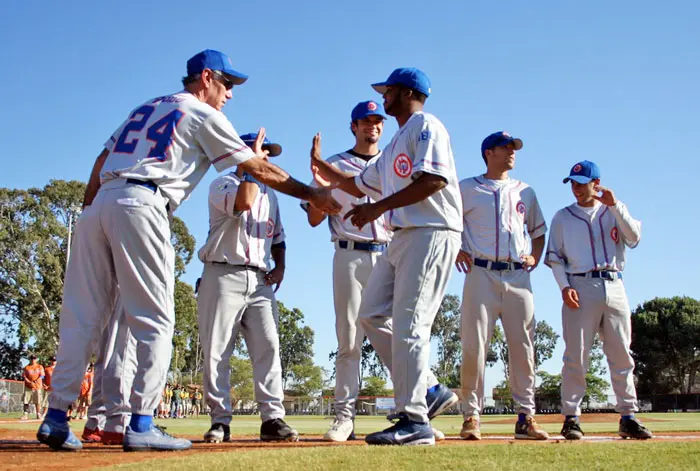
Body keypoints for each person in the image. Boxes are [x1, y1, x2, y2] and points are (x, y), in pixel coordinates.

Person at [37, 48, 340, 452]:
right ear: (207, 77)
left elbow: (99, 161)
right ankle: (142, 424)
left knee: (80, 318)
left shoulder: (146, 106)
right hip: (145, 202)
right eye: (227, 84)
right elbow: (259, 170)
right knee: (156, 321)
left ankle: (56, 417)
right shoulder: (203, 113)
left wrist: (93, 210)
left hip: (101, 202)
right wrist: (313, 193)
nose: (230, 94)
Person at [311, 68, 462, 446]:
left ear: (407, 91)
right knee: (371, 314)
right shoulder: (397, 141)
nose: (384, 97)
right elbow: (356, 184)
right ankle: (428, 391)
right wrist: (319, 166)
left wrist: (377, 209)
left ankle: (414, 420)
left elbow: (434, 181)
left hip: (431, 231)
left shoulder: (428, 126)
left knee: (410, 323)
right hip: (404, 237)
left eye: (388, 91)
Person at [198, 132, 298, 443]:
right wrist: (250, 164)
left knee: (268, 348)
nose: (266, 157)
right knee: (217, 351)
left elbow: (278, 238)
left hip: (260, 280)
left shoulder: (271, 195)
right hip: (223, 273)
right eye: (260, 151)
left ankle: (272, 418)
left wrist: (280, 266)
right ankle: (220, 421)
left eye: (268, 153)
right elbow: (242, 202)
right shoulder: (223, 183)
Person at [545, 160, 653, 440]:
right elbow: (555, 257)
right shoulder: (562, 216)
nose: (578, 189)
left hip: (615, 283)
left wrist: (615, 206)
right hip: (580, 283)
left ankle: (628, 415)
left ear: (597, 182)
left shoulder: (614, 209)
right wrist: (564, 286)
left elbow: (634, 237)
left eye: (583, 183)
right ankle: (571, 418)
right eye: (574, 184)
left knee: (621, 354)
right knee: (576, 356)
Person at [302, 101, 390, 442]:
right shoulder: (335, 165)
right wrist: (320, 192)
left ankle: (411, 413)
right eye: (365, 121)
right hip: (349, 253)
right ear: (353, 126)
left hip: (389, 253)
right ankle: (344, 418)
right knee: (349, 341)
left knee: (399, 338)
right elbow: (312, 219)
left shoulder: (392, 162)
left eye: (377, 120)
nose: (373, 126)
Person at [457, 132, 549, 441]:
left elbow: (538, 231)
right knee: (474, 346)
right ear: (488, 152)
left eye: (514, 148)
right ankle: (471, 415)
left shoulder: (526, 191)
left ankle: (526, 416)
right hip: (480, 272)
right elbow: (448, 223)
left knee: (523, 348)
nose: (511, 152)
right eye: (505, 147)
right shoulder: (467, 188)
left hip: (518, 276)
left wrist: (535, 256)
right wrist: (457, 248)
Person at [22, 355, 44, 420]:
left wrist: (37, 380)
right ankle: (25, 415)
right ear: (30, 359)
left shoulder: (40, 366)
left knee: (38, 401)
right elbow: (24, 376)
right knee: (26, 401)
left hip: (37, 386)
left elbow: (43, 376)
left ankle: (38, 414)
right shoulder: (27, 367)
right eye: (31, 358)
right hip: (28, 386)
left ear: (36, 359)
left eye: (34, 358)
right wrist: (29, 382)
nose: (33, 360)